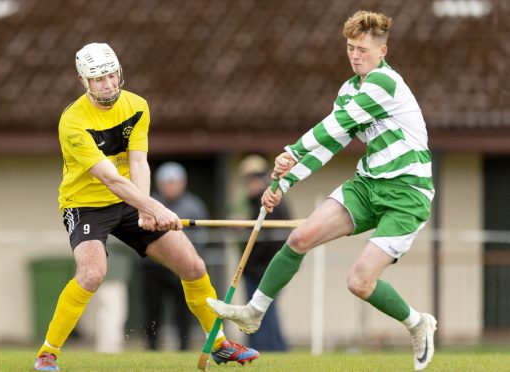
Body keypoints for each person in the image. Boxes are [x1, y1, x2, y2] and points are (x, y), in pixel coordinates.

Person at [208, 10, 437, 371]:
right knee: (300, 238)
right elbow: (331, 144)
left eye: (362, 49)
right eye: (350, 47)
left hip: (407, 194)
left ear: (382, 51)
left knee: (359, 282)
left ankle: (417, 323)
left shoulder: (385, 84)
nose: (355, 55)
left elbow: (332, 126)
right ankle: (254, 313)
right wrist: (283, 181)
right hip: (367, 186)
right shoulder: (349, 89)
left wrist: (293, 150)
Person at [32, 42, 258, 371]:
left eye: (112, 75)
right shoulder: (72, 122)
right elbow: (110, 178)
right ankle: (47, 354)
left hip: (129, 201)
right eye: (99, 79)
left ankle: (219, 344)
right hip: (85, 205)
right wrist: (155, 207)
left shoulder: (137, 106)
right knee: (93, 274)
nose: (108, 84)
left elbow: (138, 163)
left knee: (193, 266)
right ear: (83, 81)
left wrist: (146, 209)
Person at [141, 161, 209, 350]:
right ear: (159, 184)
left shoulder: (194, 206)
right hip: (153, 267)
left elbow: (201, 240)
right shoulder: (149, 205)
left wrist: (193, 262)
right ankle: (152, 348)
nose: (171, 186)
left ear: (183, 183)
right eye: (167, 182)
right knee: (153, 310)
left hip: (181, 269)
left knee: (184, 309)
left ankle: (184, 347)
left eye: (175, 182)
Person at [236, 154, 290, 351]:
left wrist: (255, 265)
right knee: (257, 311)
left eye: (256, 177)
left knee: (264, 311)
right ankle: (260, 348)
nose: (252, 183)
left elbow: (271, 240)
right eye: (248, 178)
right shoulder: (252, 202)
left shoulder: (274, 202)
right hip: (254, 269)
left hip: (266, 268)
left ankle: (275, 349)